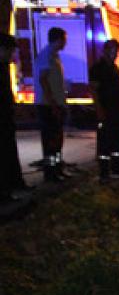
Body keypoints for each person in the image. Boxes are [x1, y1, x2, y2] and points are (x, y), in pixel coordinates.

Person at [89, 39, 119, 184]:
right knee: (105, 141)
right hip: (105, 110)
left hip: (117, 110)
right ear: (105, 50)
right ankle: (104, 172)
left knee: (118, 140)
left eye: (116, 51)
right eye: (112, 51)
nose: (115, 54)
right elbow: (94, 91)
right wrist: (99, 110)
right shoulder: (97, 68)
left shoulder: (114, 68)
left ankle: (117, 168)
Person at [0, 34, 34, 202]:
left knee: (10, 153)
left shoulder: (5, 66)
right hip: (3, 119)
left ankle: (14, 183)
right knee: (4, 154)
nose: (13, 55)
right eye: (11, 51)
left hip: (6, 118)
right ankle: (5, 191)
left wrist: (14, 105)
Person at [35, 26, 70, 183]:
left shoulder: (54, 55)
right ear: (58, 40)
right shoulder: (46, 55)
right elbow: (43, 80)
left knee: (57, 139)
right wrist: (53, 103)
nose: (66, 43)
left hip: (56, 105)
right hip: (48, 106)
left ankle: (57, 169)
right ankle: (50, 174)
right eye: (64, 39)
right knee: (50, 141)